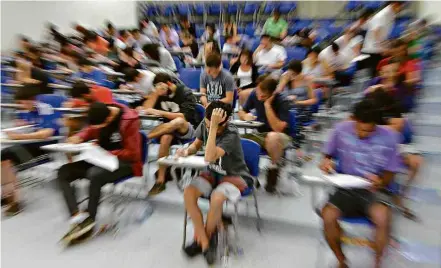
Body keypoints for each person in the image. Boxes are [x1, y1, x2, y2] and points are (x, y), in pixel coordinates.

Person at [319, 99, 400, 268]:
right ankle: (341, 260)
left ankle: (377, 263)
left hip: (373, 190)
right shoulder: (341, 129)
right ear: (354, 119)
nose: (364, 134)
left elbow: (391, 172)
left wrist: (381, 181)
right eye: (360, 129)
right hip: (345, 187)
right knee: (328, 216)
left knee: (383, 218)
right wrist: (326, 162)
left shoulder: (389, 137)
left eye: (369, 131)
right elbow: (327, 156)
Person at [179, 101, 253, 264]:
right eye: (208, 124)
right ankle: (205, 243)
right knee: (188, 193)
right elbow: (195, 145)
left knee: (217, 198)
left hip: (235, 176)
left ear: (225, 122)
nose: (211, 128)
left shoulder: (231, 134)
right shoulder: (206, 123)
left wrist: (212, 127)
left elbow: (209, 157)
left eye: (216, 126)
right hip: (213, 174)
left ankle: (204, 239)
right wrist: (186, 151)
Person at [58, 102, 141, 243]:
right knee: (64, 171)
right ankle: (77, 216)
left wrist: (107, 152)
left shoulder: (129, 120)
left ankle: (90, 219)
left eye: (100, 126)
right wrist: (80, 137)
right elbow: (89, 130)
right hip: (100, 159)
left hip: (125, 163)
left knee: (94, 174)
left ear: (108, 119)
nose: (96, 129)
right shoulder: (99, 112)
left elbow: (133, 154)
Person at [1, 85, 61, 216]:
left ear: (31, 100)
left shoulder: (46, 108)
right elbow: (28, 126)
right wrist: (18, 129)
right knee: (4, 157)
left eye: (21, 103)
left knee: (7, 158)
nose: (20, 106)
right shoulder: (28, 110)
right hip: (30, 145)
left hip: (45, 148)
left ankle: (13, 200)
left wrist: (19, 136)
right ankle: (10, 196)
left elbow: (47, 133)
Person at [137, 73, 200, 195]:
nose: (161, 92)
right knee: (165, 138)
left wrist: (159, 112)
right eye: (158, 88)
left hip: (187, 128)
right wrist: (155, 94)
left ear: (169, 84)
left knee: (178, 120)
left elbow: (184, 116)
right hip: (167, 130)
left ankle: (144, 138)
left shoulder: (185, 92)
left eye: (162, 88)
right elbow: (146, 109)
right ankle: (160, 181)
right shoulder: (159, 93)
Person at [238, 76, 292, 193]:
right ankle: (249, 175)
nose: (259, 96)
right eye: (258, 92)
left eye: (263, 95)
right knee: (236, 139)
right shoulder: (255, 93)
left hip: (281, 136)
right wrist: (245, 116)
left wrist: (267, 105)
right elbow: (241, 111)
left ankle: (273, 171)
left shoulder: (282, 100)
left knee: (272, 137)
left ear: (272, 94)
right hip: (260, 133)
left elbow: (277, 128)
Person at [361, 1, 404, 78]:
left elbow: (384, 35)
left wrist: (387, 45)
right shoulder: (382, 15)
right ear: (395, 4)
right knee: (375, 77)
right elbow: (375, 32)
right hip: (372, 51)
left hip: (379, 50)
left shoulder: (391, 15)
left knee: (382, 74)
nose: (401, 9)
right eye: (401, 6)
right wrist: (382, 48)